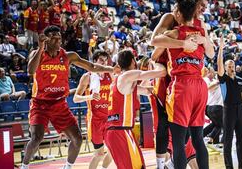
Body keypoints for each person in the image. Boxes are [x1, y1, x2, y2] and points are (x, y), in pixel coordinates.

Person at [21, 25, 116, 169]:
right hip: (40, 103)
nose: (58, 37)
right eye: (53, 35)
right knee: (36, 138)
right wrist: (40, 48)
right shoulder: (37, 53)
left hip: (60, 103)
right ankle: (24, 166)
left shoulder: (68, 56)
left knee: (77, 138)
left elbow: (92, 67)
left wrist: (111, 69)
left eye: (59, 35)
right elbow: (30, 70)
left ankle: (68, 167)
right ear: (46, 39)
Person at [150, 0, 214, 169]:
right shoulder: (172, 19)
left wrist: (186, 42)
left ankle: (170, 164)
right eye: (201, 5)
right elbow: (154, 55)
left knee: (179, 139)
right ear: (192, 5)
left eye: (204, 7)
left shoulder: (182, 31)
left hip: (181, 83)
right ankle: (163, 164)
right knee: (189, 135)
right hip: (192, 83)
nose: (202, 10)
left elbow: (154, 42)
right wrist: (193, 43)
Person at [104, 50, 166, 169]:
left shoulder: (122, 80)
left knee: (139, 167)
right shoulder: (127, 75)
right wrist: (154, 62)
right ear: (133, 61)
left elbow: (148, 90)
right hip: (119, 131)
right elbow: (161, 72)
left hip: (120, 131)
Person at [217, 36, 242, 169]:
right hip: (229, 110)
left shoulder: (240, 80)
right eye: (229, 65)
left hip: (240, 111)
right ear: (225, 68)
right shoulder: (223, 79)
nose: (231, 67)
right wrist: (221, 49)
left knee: (241, 140)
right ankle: (229, 167)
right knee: (228, 140)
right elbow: (219, 65)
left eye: (233, 65)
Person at [73, 50, 113, 169]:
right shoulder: (87, 77)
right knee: (99, 154)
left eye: (106, 61)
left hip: (110, 118)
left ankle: (104, 168)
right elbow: (75, 98)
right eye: (101, 60)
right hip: (95, 120)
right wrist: (89, 96)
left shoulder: (110, 74)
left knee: (113, 149)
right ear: (94, 61)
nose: (104, 63)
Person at [203, 67, 224, 145]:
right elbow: (208, 88)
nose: (214, 73)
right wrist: (218, 82)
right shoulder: (206, 80)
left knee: (216, 123)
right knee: (221, 124)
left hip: (212, 106)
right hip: (211, 106)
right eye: (212, 72)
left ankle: (213, 140)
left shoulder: (214, 81)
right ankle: (213, 139)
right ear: (208, 72)